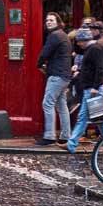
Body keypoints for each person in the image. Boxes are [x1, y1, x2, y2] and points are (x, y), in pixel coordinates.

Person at [65, 24, 103, 153]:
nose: (78, 44)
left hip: (94, 90)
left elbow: (100, 68)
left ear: (84, 40)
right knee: (100, 120)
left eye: (79, 41)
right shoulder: (91, 49)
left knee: (83, 118)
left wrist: (95, 87)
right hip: (92, 88)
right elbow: (91, 69)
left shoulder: (95, 49)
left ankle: (71, 144)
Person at [35, 13, 71, 146]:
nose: (48, 22)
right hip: (65, 75)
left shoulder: (54, 36)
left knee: (47, 104)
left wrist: (39, 64)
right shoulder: (64, 35)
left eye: (51, 20)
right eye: (47, 20)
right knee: (61, 105)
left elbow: (45, 53)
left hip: (56, 75)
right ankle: (65, 135)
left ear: (58, 22)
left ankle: (49, 136)